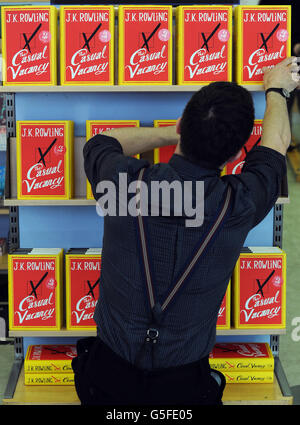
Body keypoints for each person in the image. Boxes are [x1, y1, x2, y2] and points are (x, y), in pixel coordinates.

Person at [72, 57, 299, 406]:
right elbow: (276, 142)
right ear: (238, 153)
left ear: (182, 126)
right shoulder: (238, 204)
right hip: (185, 386)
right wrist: (275, 89)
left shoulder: (123, 183)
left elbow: (102, 141)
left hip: (107, 377)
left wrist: (172, 131)